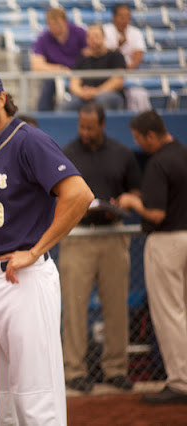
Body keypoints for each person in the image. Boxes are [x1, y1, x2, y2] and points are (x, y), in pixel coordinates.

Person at [0, 64, 94, 425]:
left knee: (35, 394)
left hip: (24, 280)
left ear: (1, 98)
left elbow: (79, 194)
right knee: (1, 397)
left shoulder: (28, 140)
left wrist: (35, 250)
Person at [59, 102, 142, 393]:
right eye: (81, 126)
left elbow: (135, 190)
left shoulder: (122, 153)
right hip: (78, 235)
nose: (85, 132)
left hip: (113, 234)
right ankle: (74, 370)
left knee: (116, 305)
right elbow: (57, 193)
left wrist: (121, 203)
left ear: (102, 125)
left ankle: (115, 369)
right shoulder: (67, 154)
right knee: (74, 307)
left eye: (90, 127)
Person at [116, 110, 187, 405]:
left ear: (151, 135)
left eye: (139, 138)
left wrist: (132, 201)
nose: (138, 143)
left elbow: (156, 214)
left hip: (167, 241)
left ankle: (181, 382)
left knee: (170, 313)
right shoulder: (183, 152)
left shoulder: (159, 162)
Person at [59, 25, 127, 111]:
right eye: (89, 37)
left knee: (101, 101)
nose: (93, 39)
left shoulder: (116, 56)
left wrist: (96, 92)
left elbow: (118, 82)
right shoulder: (82, 60)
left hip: (110, 94)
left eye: (96, 36)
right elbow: (74, 83)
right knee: (65, 106)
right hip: (84, 96)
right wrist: (82, 93)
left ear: (104, 37)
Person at [31, 8, 87, 111]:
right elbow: (37, 65)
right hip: (57, 77)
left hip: (80, 75)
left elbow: (89, 57)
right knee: (49, 82)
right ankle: (43, 115)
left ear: (65, 22)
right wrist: (60, 69)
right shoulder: (43, 38)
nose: (55, 27)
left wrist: (75, 73)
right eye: (51, 24)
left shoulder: (79, 33)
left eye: (58, 24)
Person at [103, 3, 151, 112]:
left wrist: (126, 70)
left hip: (129, 72)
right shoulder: (105, 31)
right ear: (114, 17)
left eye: (127, 16)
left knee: (139, 95)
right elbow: (104, 54)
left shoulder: (135, 32)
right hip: (110, 74)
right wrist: (118, 46)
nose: (124, 19)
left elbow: (138, 56)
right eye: (121, 16)